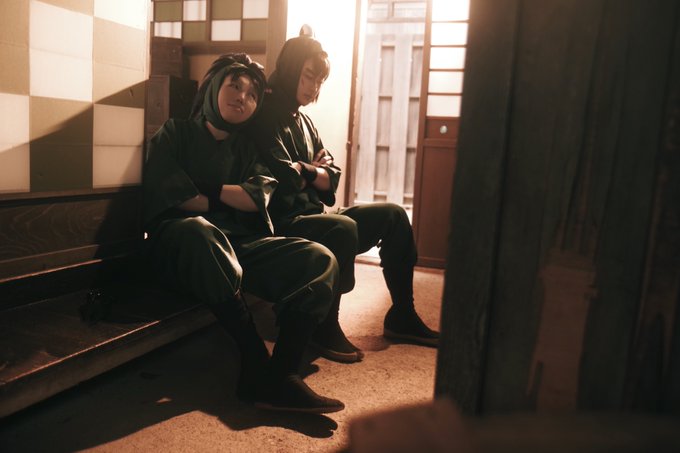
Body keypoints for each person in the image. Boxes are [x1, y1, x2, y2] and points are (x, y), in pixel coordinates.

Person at [142, 53, 344, 413]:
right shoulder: (175, 133)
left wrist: (205, 190)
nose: (243, 98)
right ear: (212, 87)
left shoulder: (248, 148)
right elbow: (177, 197)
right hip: (182, 246)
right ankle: (254, 360)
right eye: (234, 86)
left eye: (252, 94)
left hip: (238, 244)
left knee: (319, 259)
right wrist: (228, 197)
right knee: (200, 230)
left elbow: (256, 197)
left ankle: (283, 375)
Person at [246, 36, 439, 364]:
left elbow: (331, 176)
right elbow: (285, 178)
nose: (313, 87)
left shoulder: (304, 120)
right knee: (341, 227)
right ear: (290, 69)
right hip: (282, 223)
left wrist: (307, 171)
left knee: (393, 215)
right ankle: (324, 324)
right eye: (308, 76)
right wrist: (311, 172)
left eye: (319, 81)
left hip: (312, 215)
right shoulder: (264, 115)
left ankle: (402, 314)